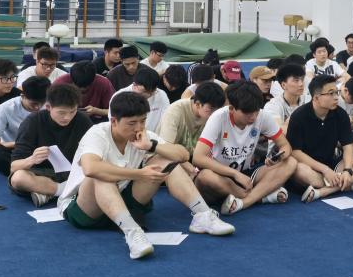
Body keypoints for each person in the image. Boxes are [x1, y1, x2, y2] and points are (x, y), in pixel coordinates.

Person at [58, 92, 233, 259]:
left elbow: (183, 155)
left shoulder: (144, 136)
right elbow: (90, 168)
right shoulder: (97, 133)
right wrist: (139, 174)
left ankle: (202, 215)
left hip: (123, 200)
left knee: (166, 159)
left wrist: (152, 146)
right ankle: (133, 233)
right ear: (114, 121)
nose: (138, 128)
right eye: (132, 123)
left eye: (142, 121)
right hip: (85, 208)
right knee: (101, 175)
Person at [192, 81, 297, 213]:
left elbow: (285, 146)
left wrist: (279, 156)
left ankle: (244, 202)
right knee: (205, 177)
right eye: (247, 113)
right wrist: (234, 174)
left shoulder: (262, 116)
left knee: (290, 162)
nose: (253, 117)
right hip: (220, 175)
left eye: (256, 111)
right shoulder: (218, 117)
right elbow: (198, 158)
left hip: (246, 174)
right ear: (232, 108)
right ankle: (260, 197)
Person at [287, 75, 353, 202]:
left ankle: (323, 191)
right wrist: (325, 170)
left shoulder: (341, 114)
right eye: (331, 93)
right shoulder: (299, 116)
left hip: (332, 163)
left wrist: (347, 171)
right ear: (316, 98)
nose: (336, 97)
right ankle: (349, 185)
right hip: (309, 166)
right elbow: (295, 152)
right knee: (299, 170)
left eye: (336, 92)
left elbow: (348, 146)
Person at [8, 83, 93, 207]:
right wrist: (32, 159)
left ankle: (47, 193)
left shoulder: (82, 120)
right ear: (48, 107)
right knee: (18, 178)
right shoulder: (32, 122)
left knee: (101, 174)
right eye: (61, 113)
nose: (67, 117)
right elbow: (14, 166)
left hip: (73, 173)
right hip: (40, 172)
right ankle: (63, 191)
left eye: (72, 111)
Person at [0, 76, 48, 176]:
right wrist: (17, 144)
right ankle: (31, 174)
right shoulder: (6, 108)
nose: (38, 107)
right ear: (22, 96)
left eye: (42, 103)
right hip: (17, 151)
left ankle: (28, 175)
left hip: (45, 150)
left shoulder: (52, 105)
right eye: (34, 104)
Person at [158, 81, 226, 157]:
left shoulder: (213, 115)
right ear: (198, 104)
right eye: (211, 109)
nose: (215, 113)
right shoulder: (174, 112)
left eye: (218, 109)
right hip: (169, 156)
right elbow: (166, 149)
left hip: (192, 156)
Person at [111, 68, 170, 133]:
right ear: (134, 85)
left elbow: (166, 119)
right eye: (144, 91)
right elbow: (115, 124)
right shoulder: (119, 97)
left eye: (152, 92)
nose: (148, 95)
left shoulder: (161, 95)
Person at [263, 62, 308, 129]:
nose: (301, 84)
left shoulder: (309, 101)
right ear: (284, 85)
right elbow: (278, 130)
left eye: (302, 79)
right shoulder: (273, 105)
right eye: (296, 80)